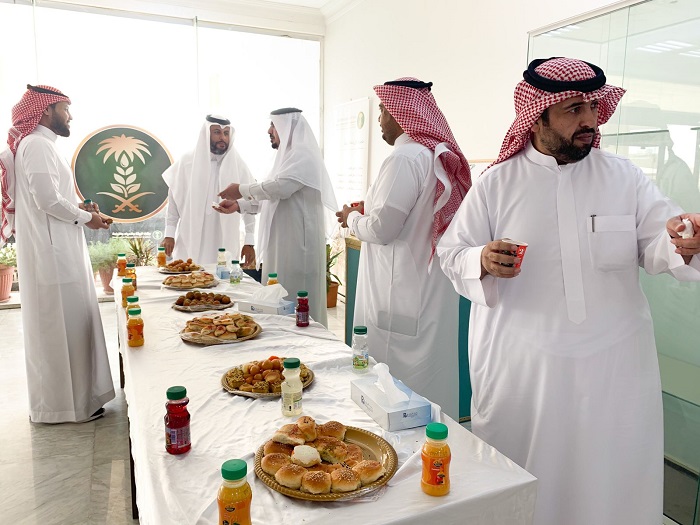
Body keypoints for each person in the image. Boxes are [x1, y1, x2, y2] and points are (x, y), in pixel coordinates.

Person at [437, 58, 700, 525]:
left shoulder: (624, 177)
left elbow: (661, 240)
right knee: (525, 480)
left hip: (613, 368)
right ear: (537, 117)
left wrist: (684, 240)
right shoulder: (497, 183)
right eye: (574, 109)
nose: (590, 120)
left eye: (593, 107)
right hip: (525, 369)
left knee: (610, 477)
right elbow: (450, 252)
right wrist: (481, 259)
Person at [336, 78, 472, 420]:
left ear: (401, 113)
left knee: (395, 394)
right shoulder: (433, 156)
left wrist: (352, 218)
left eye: (383, 110)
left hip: (398, 295)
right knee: (429, 386)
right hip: (425, 291)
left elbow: (382, 229)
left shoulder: (405, 158)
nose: (380, 119)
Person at [0, 84, 115, 423]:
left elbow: (51, 195)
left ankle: (79, 401)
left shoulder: (41, 145)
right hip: (51, 255)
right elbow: (47, 200)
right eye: (65, 109)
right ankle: (63, 408)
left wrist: (81, 208)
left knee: (71, 324)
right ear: (46, 109)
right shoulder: (36, 145)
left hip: (58, 248)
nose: (70, 116)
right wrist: (87, 218)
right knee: (59, 328)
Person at [216, 108, 337, 327]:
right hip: (281, 244)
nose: (269, 131)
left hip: (298, 248)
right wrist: (239, 205)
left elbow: (281, 188)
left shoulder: (304, 156)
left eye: (273, 125)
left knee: (297, 300)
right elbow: (270, 197)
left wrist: (241, 189)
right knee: (278, 299)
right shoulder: (285, 158)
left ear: (288, 127)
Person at [161, 115, 256, 266]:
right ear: (206, 134)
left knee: (223, 276)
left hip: (224, 239)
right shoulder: (187, 162)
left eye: (226, 133)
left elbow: (250, 204)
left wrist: (249, 241)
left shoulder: (239, 165)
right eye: (217, 132)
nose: (222, 137)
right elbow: (174, 201)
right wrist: (169, 234)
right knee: (186, 275)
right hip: (189, 236)